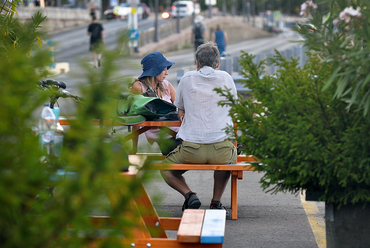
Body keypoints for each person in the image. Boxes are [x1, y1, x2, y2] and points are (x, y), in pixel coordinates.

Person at [161, 42, 238, 213]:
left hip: (191, 150)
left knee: (165, 168)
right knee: (227, 160)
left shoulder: (187, 78)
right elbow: (234, 106)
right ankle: (216, 202)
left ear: (197, 63)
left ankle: (189, 195)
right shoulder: (226, 78)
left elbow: (179, 107)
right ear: (217, 63)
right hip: (221, 150)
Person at [130, 52, 181, 155]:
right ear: (155, 71)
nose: (167, 73)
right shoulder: (139, 87)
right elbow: (133, 120)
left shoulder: (166, 85)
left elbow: (181, 107)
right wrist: (134, 148)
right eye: (164, 69)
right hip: (166, 137)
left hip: (179, 134)